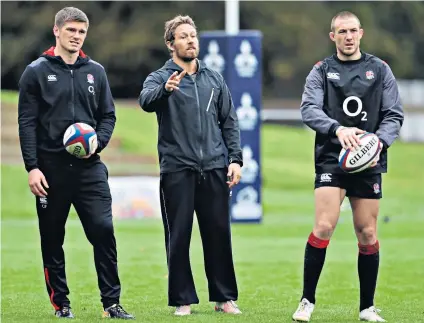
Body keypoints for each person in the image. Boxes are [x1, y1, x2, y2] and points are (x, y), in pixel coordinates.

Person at [18, 7, 134, 320]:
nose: (76, 37)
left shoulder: (95, 71)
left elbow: (107, 115)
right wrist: (32, 167)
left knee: (103, 229)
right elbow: (26, 123)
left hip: (89, 168)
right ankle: (62, 305)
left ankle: (112, 304)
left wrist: (99, 141)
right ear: (57, 31)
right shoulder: (36, 72)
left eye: (81, 32)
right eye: (71, 31)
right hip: (50, 170)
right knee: (52, 238)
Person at [292, 11, 404, 322]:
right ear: (333, 36)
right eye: (342, 31)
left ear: (361, 33)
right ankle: (306, 301)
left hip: (368, 160)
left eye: (353, 30)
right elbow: (308, 109)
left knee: (366, 232)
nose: (348, 36)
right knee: (325, 226)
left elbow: (394, 114)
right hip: (332, 157)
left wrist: (377, 142)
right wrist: (337, 130)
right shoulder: (321, 71)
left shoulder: (380, 70)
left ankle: (367, 308)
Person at [139, 15, 243, 316]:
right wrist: (166, 90)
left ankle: (224, 299)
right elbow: (146, 101)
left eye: (193, 35)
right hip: (177, 169)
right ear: (171, 44)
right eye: (183, 36)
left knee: (218, 234)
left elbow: (229, 122)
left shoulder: (214, 78)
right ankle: (182, 300)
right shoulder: (160, 77)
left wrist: (234, 159)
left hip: (213, 167)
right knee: (179, 235)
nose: (190, 40)